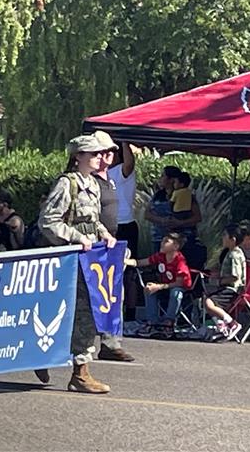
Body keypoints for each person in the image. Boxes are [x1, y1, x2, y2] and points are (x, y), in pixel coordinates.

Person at [35, 134, 117, 394]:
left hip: (90, 260)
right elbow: (48, 220)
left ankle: (79, 371)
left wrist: (103, 234)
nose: (98, 158)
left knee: (88, 313)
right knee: (67, 313)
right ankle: (47, 356)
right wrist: (76, 237)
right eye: (92, 154)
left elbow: (91, 220)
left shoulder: (92, 184)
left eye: (100, 153)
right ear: (78, 157)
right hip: (70, 260)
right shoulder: (66, 184)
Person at [91, 131, 134, 361]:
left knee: (114, 293)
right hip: (92, 244)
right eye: (103, 151)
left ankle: (110, 342)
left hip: (112, 244)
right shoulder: (86, 180)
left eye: (111, 151)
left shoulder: (110, 179)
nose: (108, 155)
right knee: (89, 296)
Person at [125, 232, 192, 338]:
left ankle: (169, 322)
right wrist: (126, 261)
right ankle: (152, 322)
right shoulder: (160, 256)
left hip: (179, 287)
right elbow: (142, 262)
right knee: (149, 289)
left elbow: (180, 282)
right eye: (162, 240)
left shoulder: (180, 261)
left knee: (176, 293)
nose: (162, 243)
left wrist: (160, 286)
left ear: (176, 246)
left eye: (166, 241)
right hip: (164, 286)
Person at [107, 140, 139, 321]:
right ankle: (111, 309)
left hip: (126, 224)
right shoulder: (101, 173)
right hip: (109, 226)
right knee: (110, 270)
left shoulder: (122, 172)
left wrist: (125, 141)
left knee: (129, 271)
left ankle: (131, 313)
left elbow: (129, 164)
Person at [204, 224, 246, 340]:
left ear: (233, 240)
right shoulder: (229, 253)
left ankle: (232, 323)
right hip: (227, 288)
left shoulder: (234, 255)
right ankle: (222, 326)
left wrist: (219, 282)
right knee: (207, 300)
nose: (222, 238)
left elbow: (235, 277)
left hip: (232, 289)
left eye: (224, 235)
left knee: (209, 302)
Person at [145, 166, 202, 248]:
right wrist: (162, 220)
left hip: (183, 241)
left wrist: (180, 223)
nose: (160, 178)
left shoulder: (186, 196)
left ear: (172, 179)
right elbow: (147, 214)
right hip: (160, 240)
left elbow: (197, 217)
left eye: (163, 176)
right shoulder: (158, 196)